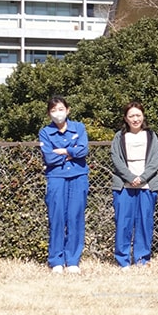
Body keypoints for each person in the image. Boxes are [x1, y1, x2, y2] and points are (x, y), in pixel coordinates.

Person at [39, 96, 89, 274]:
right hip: (56, 177)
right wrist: (72, 153)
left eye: (61, 109)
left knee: (75, 217)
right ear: (49, 113)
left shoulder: (79, 127)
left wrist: (65, 151)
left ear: (68, 110)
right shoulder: (45, 132)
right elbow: (49, 157)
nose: (57, 113)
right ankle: (56, 260)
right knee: (56, 217)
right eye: (53, 110)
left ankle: (73, 260)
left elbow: (84, 149)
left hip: (78, 176)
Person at [110, 102, 158, 268]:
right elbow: (116, 159)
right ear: (126, 118)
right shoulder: (119, 136)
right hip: (124, 186)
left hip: (147, 185)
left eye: (138, 115)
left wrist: (143, 177)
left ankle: (141, 259)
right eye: (131, 116)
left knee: (145, 223)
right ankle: (122, 260)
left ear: (143, 116)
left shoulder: (151, 136)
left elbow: (155, 161)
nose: (135, 119)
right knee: (123, 223)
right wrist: (130, 177)